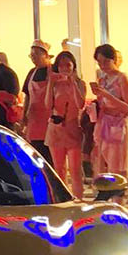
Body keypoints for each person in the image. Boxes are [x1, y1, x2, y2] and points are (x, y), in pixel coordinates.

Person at [45, 51, 87, 199]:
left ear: (73, 66)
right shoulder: (55, 84)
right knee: (59, 169)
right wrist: (50, 82)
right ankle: (63, 199)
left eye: (68, 65)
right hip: (56, 128)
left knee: (75, 169)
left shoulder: (80, 84)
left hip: (72, 127)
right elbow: (48, 104)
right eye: (61, 65)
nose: (64, 68)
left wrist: (73, 82)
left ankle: (78, 200)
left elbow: (80, 104)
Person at [91, 44, 128, 179]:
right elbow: (102, 103)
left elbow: (127, 107)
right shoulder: (103, 79)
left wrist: (107, 95)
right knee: (104, 159)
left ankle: (120, 192)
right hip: (105, 122)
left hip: (119, 123)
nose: (103, 65)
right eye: (99, 62)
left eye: (106, 61)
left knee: (119, 162)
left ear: (113, 59)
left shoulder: (122, 78)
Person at [22, 39, 54, 163]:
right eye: (31, 55)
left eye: (36, 55)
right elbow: (28, 95)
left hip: (49, 119)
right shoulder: (31, 73)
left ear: (45, 55)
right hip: (34, 120)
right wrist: (24, 114)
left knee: (50, 156)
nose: (33, 58)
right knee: (36, 154)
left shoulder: (53, 71)